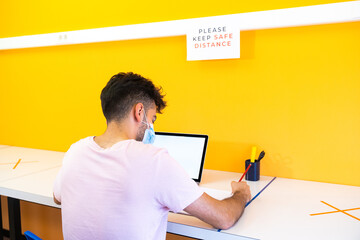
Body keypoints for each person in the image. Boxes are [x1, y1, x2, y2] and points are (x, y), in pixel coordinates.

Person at [53, 72, 251, 240]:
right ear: (139, 111)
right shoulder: (152, 160)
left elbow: (57, 197)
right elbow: (223, 217)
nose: (153, 127)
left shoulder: (75, 151)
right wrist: (240, 194)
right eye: (153, 118)